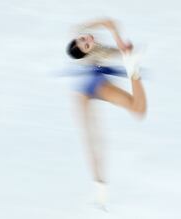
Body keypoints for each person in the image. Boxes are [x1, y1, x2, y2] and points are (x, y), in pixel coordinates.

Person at [66, 18, 147, 208]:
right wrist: (125, 51)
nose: (88, 39)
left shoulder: (78, 29)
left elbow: (108, 22)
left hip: (100, 83)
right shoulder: (97, 52)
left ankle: (132, 69)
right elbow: (115, 49)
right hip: (84, 90)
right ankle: (100, 188)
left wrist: (121, 44)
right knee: (92, 136)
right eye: (86, 44)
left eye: (84, 39)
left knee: (138, 109)